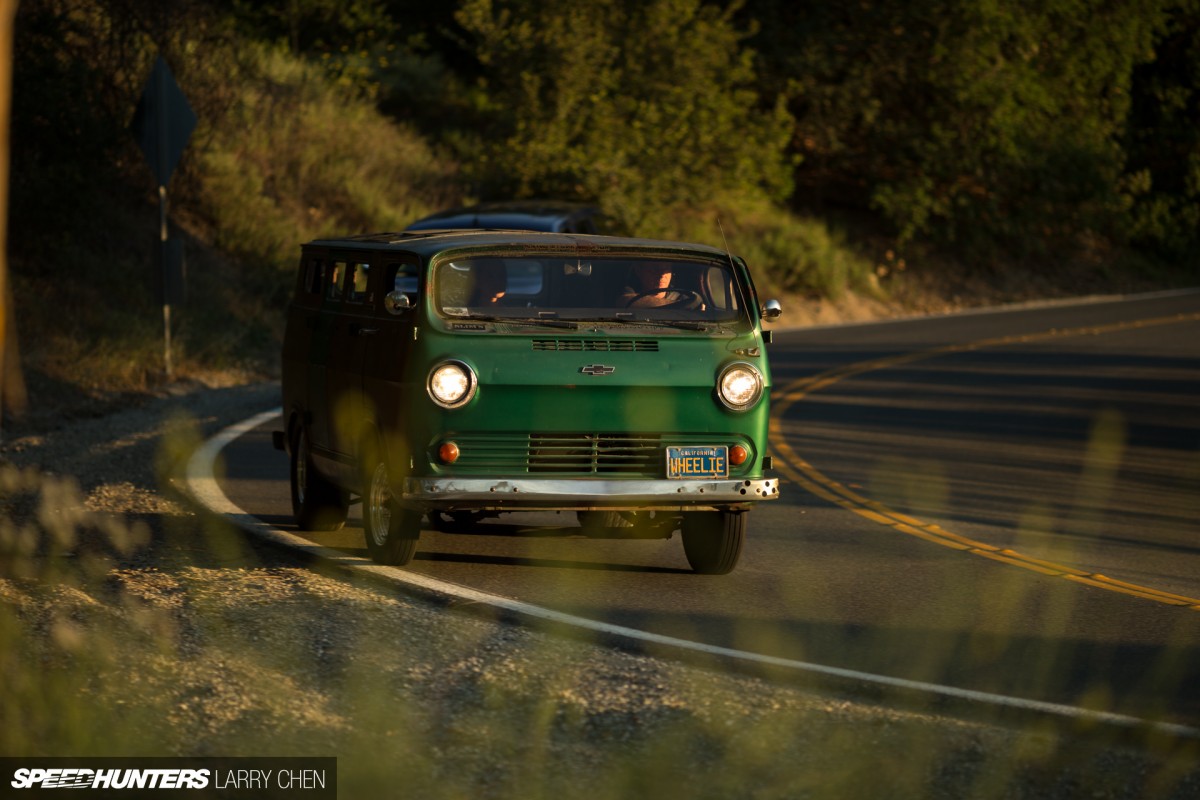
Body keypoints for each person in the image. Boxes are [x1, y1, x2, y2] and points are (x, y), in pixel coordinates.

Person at [618, 262, 702, 309]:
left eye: (666, 269)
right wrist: (681, 306)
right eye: (655, 269)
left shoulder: (683, 298)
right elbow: (626, 302)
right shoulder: (630, 292)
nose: (662, 275)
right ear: (639, 271)